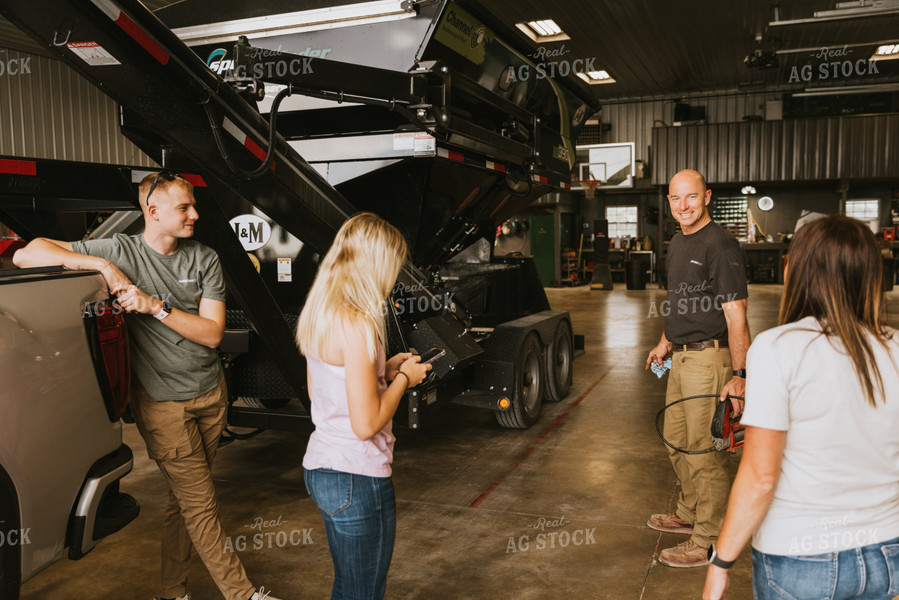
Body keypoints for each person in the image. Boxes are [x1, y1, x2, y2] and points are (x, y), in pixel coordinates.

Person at [13, 171, 278, 600]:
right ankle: (243, 595)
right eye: (184, 207)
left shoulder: (204, 258)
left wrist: (154, 306)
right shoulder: (119, 250)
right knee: (200, 504)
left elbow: (212, 334)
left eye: (193, 205)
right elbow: (28, 255)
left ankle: (172, 593)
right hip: (163, 405)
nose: (195, 214)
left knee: (184, 502)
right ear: (152, 212)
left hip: (211, 395)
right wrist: (101, 266)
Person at [703, 215, 899, 600]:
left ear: (800, 271)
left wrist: (720, 562)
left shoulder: (778, 348)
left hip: (801, 557)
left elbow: (761, 477)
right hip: (886, 552)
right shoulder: (893, 348)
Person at [296, 212, 431, 600]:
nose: (393, 277)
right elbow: (365, 423)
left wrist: (381, 372)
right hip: (356, 473)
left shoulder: (320, 313)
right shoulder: (358, 323)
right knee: (365, 592)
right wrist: (406, 379)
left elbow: (322, 389)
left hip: (323, 466)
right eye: (392, 265)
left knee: (348, 586)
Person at [645, 169, 751, 568]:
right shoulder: (677, 241)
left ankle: (708, 539)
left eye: (690, 197)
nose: (683, 206)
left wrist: (739, 376)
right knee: (676, 441)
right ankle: (688, 514)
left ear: (706, 197)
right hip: (681, 357)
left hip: (710, 360)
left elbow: (736, 315)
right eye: (675, 199)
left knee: (706, 453)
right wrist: (665, 340)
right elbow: (680, 300)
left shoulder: (720, 246)